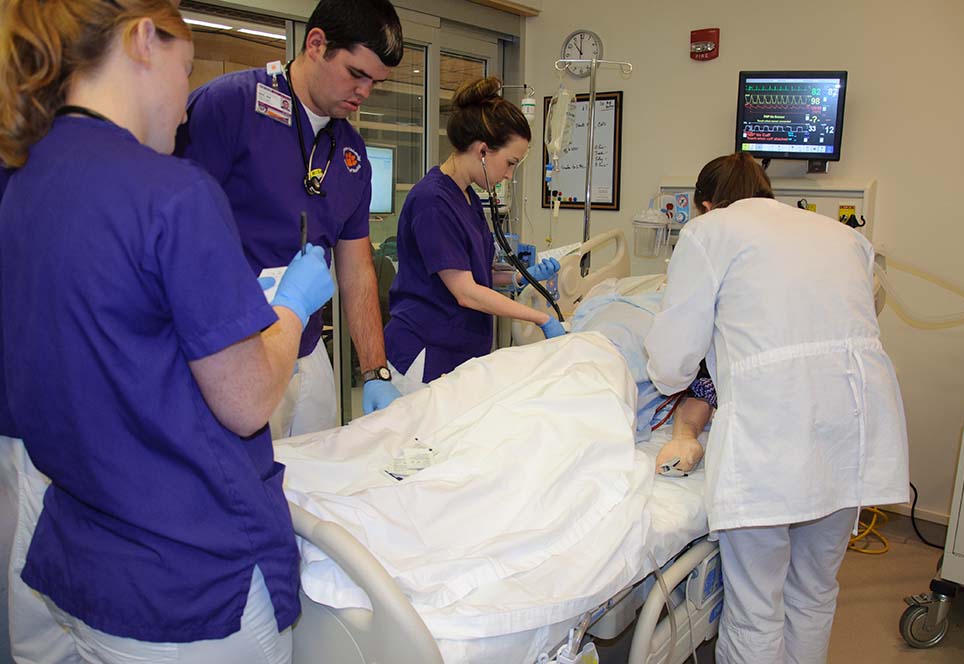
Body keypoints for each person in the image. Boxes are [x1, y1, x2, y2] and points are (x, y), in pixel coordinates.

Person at [0, 1, 335, 661]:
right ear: (143, 40)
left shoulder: (24, 184)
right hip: (186, 583)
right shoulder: (172, 194)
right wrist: (291, 308)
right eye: (187, 73)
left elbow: (109, 342)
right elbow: (245, 402)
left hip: (78, 555)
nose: (186, 109)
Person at [643, 152, 909, 664]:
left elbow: (674, 359)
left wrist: (673, 379)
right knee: (814, 590)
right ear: (766, 191)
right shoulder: (842, 235)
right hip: (847, 429)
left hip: (773, 431)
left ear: (705, 204)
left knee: (756, 605)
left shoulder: (710, 232)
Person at [175, 0, 404, 435]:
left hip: (307, 344)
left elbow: (356, 271)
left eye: (375, 82)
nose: (364, 94)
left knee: (315, 479)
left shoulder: (351, 155)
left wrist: (375, 371)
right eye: (356, 74)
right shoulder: (228, 108)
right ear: (316, 44)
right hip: (231, 348)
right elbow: (172, 235)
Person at [384, 76, 565, 390]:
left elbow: (472, 272)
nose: (509, 174)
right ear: (482, 150)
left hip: (457, 352)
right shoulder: (433, 202)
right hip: (425, 353)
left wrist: (518, 278)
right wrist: (540, 318)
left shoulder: (467, 197)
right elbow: (465, 291)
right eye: (510, 163)